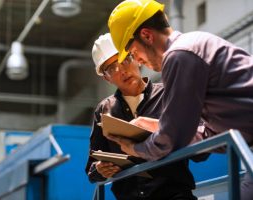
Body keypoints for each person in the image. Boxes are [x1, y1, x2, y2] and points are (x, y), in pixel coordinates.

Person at [107, 0, 253, 200]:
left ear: (147, 35)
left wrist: (135, 149)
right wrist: (156, 126)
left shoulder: (179, 55)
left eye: (133, 53)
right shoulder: (193, 44)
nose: (138, 61)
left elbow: (170, 140)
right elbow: (211, 133)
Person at [85, 33, 200, 200]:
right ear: (106, 78)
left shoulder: (169, 94)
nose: (121, 70)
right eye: (111, 68)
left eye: (125, 60)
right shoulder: (104, 110)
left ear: (136, 59)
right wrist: (99, 169)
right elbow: (91, 169)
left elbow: (199, 145)